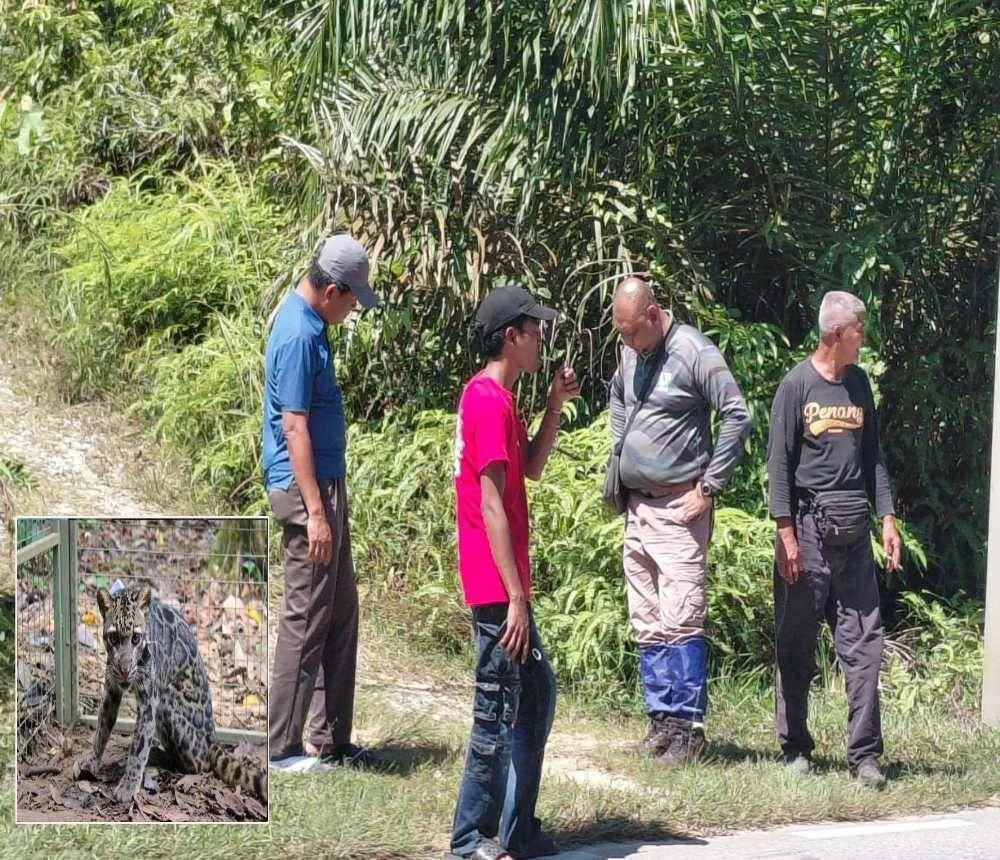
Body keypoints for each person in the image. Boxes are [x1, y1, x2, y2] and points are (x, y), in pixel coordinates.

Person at [447, 285, 579, 860]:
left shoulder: (501, 400)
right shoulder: (483, 400)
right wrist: (517, 598)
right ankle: (469, 839)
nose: (541, 338)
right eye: (535, 329)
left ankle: (517, 829)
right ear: (512, 336)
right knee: (497, 707)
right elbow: (493, 502)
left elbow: (530, 468)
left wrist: (552, 405)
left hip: (504, 581)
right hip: (497, 584)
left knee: (533, 695)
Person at [609, 276, 751, 766]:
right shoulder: (631, 350)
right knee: (647, 620)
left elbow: (738, 415)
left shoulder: (692, 350)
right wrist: (619, 458)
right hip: (638, 508)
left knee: (681, 619)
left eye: (631, 333)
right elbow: (619, 400)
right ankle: (660, 721)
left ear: (653, 314)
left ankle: (689, 729)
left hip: (679, 508)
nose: (626, 343)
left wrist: (708, 488)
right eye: (620, 334)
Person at [766, 290, 901, 788]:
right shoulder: (796, 385)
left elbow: (874, 458)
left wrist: (886, 518)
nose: (863, 338)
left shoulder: (859, 384)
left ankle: (865, 756)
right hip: (806, 529)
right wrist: (787, 536)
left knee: (865, 645)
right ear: (835, 335)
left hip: (854, 533)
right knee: (796, 644)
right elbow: (778, 466)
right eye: (858, 330)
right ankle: (795, 745)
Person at [263, 233, 383, 772]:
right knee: (307, 614)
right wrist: (315, 512)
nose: (354, 307)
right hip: (305, 489)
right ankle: (279, 748)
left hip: (326, 484)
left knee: (339, 613)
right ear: (331, 289)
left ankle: (329, 739)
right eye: (353, 298)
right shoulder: (296, 334)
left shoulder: (314, 325)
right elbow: (293, 426)